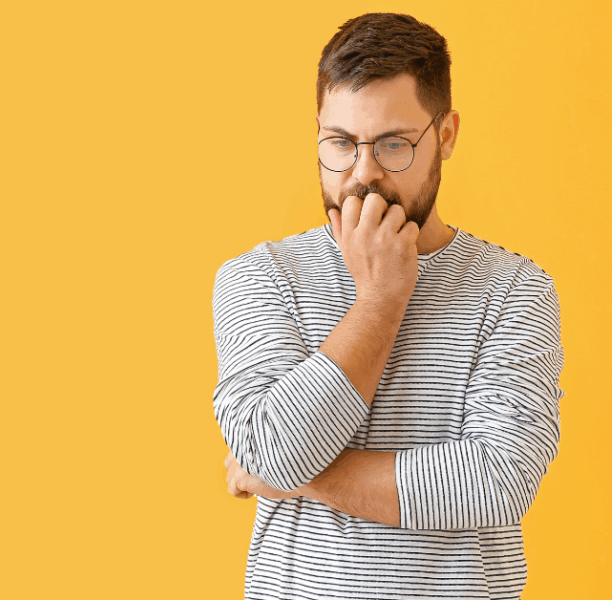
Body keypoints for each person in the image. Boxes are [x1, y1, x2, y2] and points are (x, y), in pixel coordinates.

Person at [212, 12, 565, 600]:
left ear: (446, 136)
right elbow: (270, 451)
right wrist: (379, 301)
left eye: (394, 144)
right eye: (341, 144)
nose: (363, 174)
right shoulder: (261, 278)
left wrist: (289, 473)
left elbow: (496, 481)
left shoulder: (515, 292)